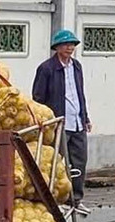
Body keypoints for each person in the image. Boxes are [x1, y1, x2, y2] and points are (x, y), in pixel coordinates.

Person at [32, 29, 91, 199]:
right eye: (66, 44)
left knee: (80, 161)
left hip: (77, 122)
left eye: (72, 44)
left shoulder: (77, 66)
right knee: (60, 163)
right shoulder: (46, 69)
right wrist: (43, 121)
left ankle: (76, 198)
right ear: (57, 47)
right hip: (59, 124)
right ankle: (60, 198)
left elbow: (80, 94)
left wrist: (85, 117)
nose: (70, 48)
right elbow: (38, 97)